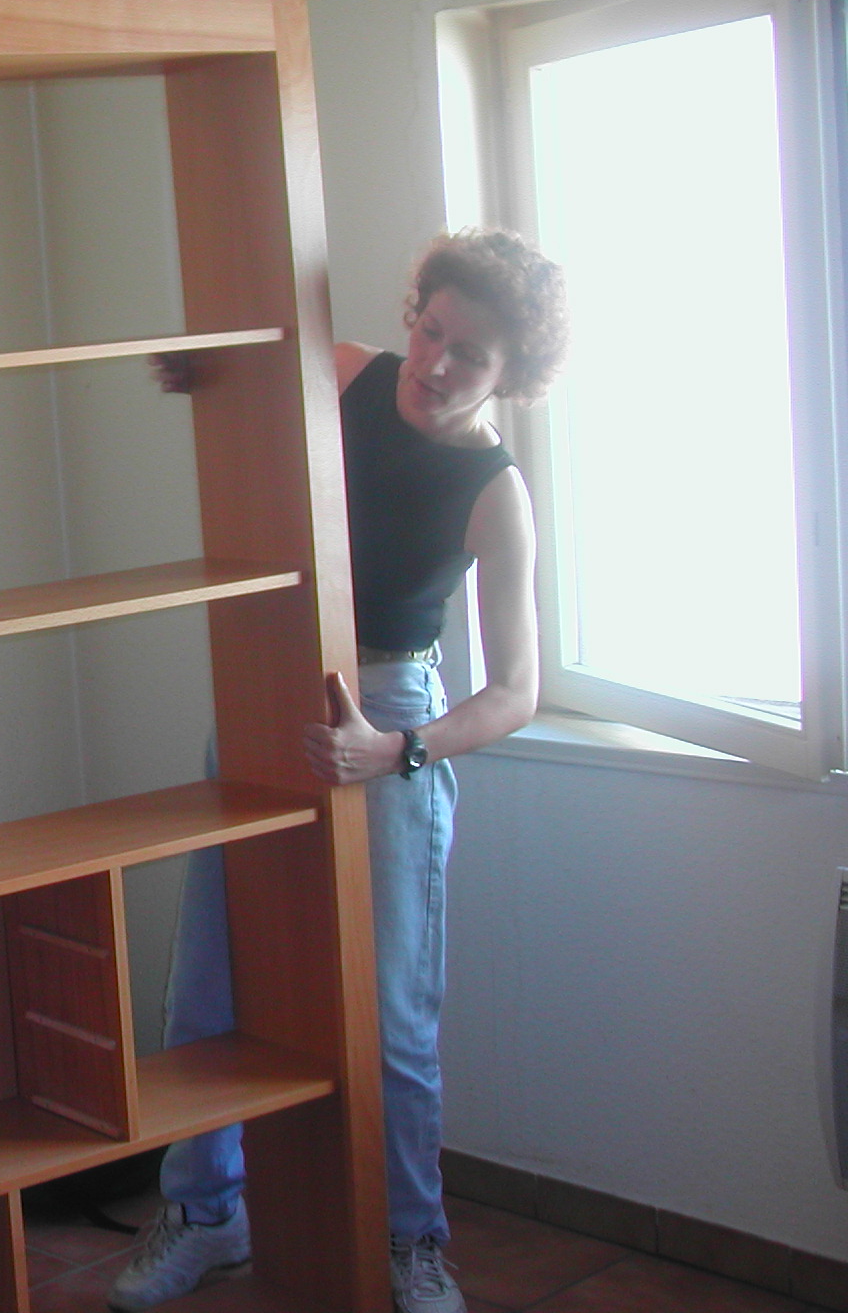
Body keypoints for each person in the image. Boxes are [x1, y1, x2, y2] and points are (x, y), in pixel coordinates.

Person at [109, 230, 567, 1313]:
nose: (435, 363)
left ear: (512, 374)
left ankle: (413, 1241)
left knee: (393, 1015)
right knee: (209, 981)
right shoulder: (353, 372)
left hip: (390, 717)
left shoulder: (493, 489)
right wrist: (198, 369)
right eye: (431, 330)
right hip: (268, 697)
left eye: (469, 355)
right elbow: (241, 367)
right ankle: (204, 1213)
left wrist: (395, 750)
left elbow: (516, 691)